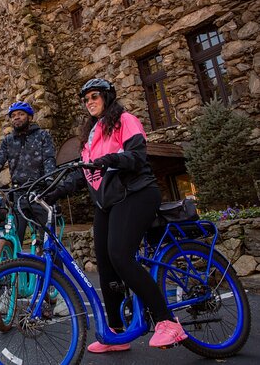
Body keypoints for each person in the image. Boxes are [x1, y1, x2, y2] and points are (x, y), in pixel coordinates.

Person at [43, 78, 187, 352]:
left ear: (108, 97)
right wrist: (50, 193)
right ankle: (116, 332)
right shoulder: (90, 136)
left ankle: (167, 322)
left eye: (94, 96)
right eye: (85, 99)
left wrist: (111, 160)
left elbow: (137, 156)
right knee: (106, 264)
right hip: (107, 202)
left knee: (120, 255)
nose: (89, 102)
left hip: (136, 193)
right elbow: (81, 174)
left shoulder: (124, 120)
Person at [0, 101, 56, 244]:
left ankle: (53, 265)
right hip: (19, 195)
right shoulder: (8, 141)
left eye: (21, 114)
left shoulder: (42, 135)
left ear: (30, 117)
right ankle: (18, 265)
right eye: (13, 115)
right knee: (16, 240)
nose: (16, 118)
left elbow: (49, 159)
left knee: (48, 240)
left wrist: (50, 180)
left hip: (39, 193)